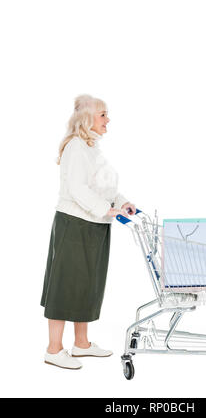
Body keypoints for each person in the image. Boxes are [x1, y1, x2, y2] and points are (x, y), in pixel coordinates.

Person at [40, 94, 136, 370]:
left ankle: (81, 344)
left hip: (95, 226)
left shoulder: (92, 148)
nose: (108, 120)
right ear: (87, 118)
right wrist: (107, 209)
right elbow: (78, 190)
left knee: (86, 285)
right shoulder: (75, 148)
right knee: (65, 284)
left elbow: (102, 187)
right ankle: (53, 349)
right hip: (75, 225)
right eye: (103, 114)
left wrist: (122, 203)